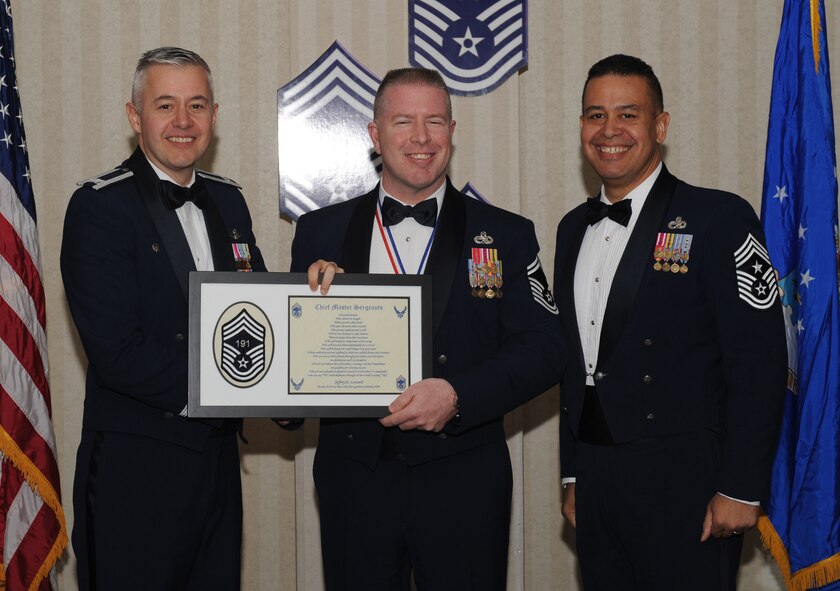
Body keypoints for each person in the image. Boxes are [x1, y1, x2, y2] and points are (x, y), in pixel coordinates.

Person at [292, 68, 563, 591]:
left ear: (452, 130)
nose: (421, 138)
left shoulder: (507, 233)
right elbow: (296, 357)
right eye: (403, 122)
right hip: (355, 478)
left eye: (434, 121)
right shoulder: (319, 231)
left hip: (465, 478)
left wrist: (458, 394)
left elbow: (546, 348)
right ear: (374, 135)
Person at [553, 54, 787, 590]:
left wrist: (742, 486)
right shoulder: (571, 229)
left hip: (687, 481)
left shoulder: (719, 218)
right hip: (597, 480)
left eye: (628, 114)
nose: (609, 130)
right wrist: (573, 473)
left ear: (660, 125)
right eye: (594, 115)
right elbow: (576, 365)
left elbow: (760, 361)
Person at [60, 47, 265, 590]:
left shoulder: (230, 202)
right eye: (165, 105)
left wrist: (294, 389)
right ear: (135, 117)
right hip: (137, 473)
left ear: (214, 117)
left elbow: (262, 320)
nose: (182, 122)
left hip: (219, 470)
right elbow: (118, 352)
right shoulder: (99, 208)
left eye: (196, 105)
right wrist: (246, 386)